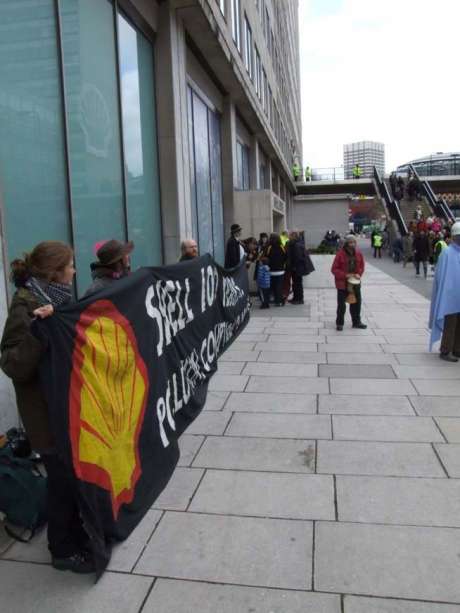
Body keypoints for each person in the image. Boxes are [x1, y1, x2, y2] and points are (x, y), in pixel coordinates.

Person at [0, 241, 94, 573]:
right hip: (45, 416)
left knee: (71, 478)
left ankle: (77, 535)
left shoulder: (59, 299)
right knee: (62, 481)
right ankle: (62, 549)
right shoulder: (25, 306)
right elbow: (12, 364)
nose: (74, 270)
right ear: (54, 271)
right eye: (69, 265)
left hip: (65, 409)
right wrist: (38, 332)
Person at [429, 222, 460, 362]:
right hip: (449, 296)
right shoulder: (447, 252)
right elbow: (441, 276)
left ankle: (457, 349)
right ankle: (445, 350)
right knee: (450, 323)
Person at [331, 234, 367, 331]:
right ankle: (340, 323)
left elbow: (361, 266)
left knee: (357, 303)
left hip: (355, 283)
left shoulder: (359, 253)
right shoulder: (340, 254)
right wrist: (345, 275)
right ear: (346, 243)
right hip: (342, 284)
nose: (352, 244)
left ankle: (356, 322)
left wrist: (359, 274)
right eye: (350, 242)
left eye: (354, 242)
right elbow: (334, 269)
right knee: (341, 305)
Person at [287, 231, 314, 305]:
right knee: (295, 283)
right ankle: (296, 298)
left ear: (294, 236)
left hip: (297, 268)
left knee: (298, 284)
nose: (288, 237)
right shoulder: (294, 244)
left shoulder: (296, 245)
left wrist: (294, 267)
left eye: (290, 235)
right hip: (296, 267)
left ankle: (299, 299)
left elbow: (298, 258)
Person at [266, 233, 287, 306]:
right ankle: (279, 301)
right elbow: (285, 257)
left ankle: (275, 299)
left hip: (271, 271)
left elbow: (266, 257)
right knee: (279, 286)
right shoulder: (282, 247)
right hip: (280, 270)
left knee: (273, 286)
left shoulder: (269, 247)